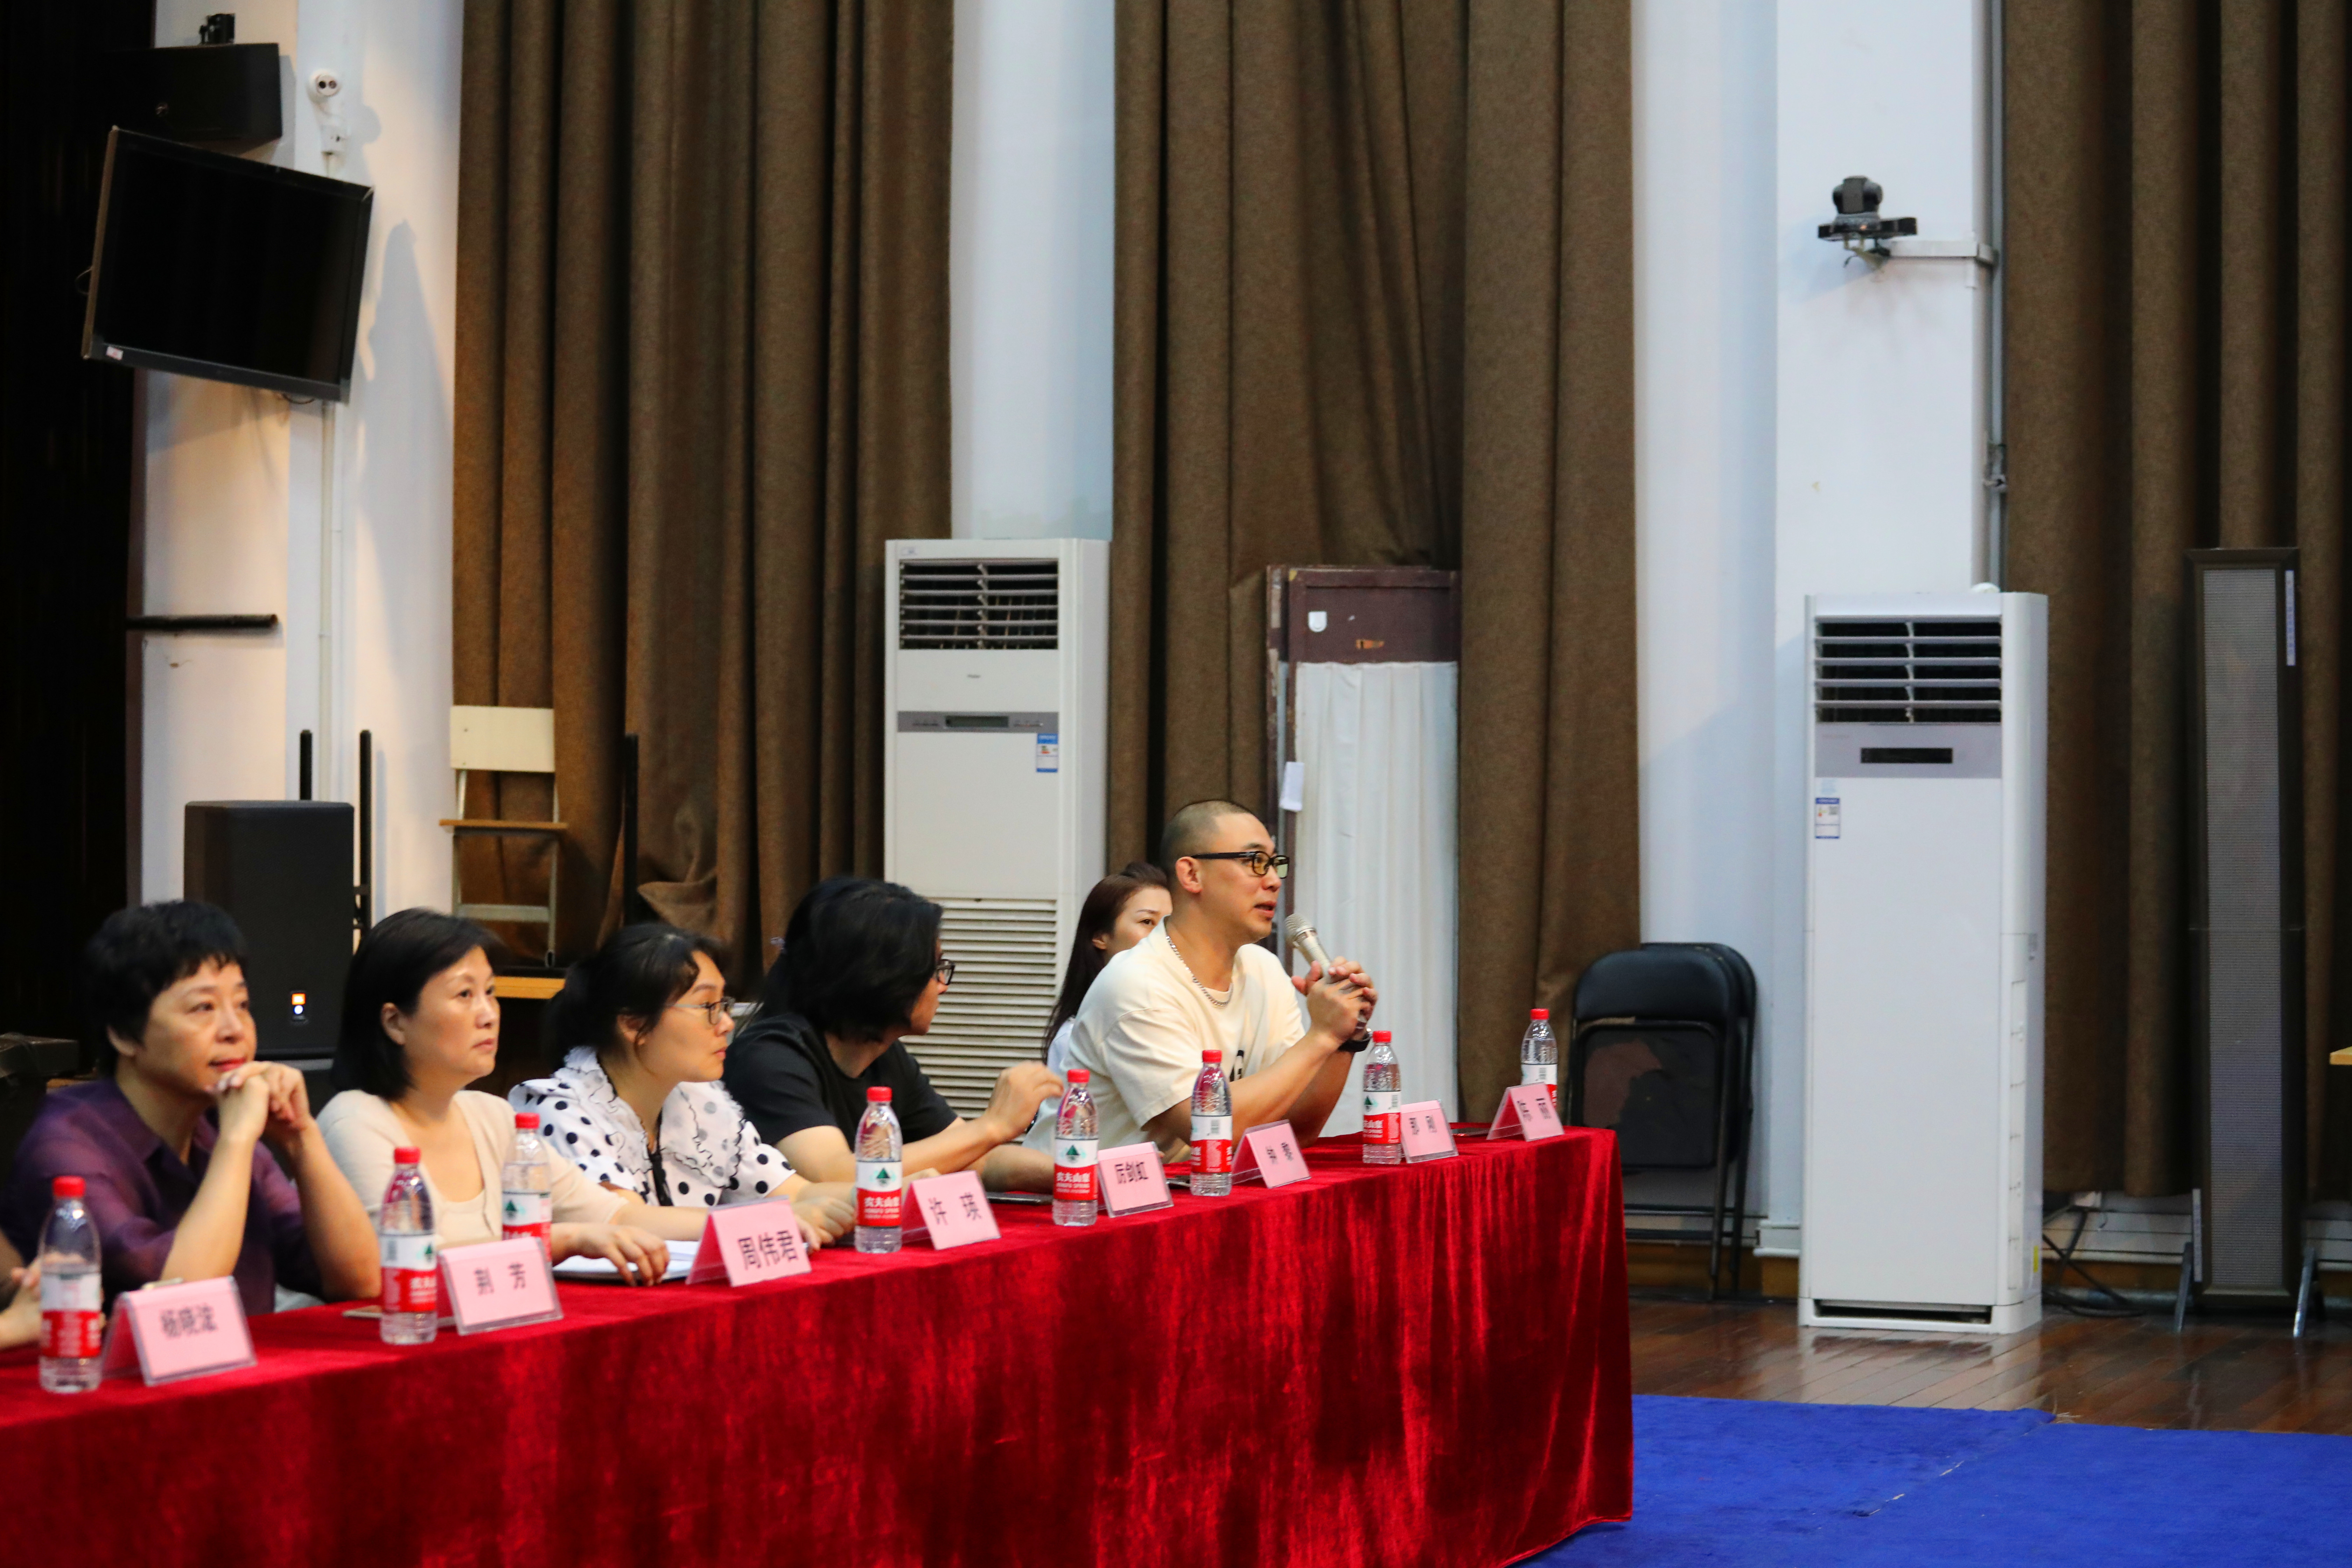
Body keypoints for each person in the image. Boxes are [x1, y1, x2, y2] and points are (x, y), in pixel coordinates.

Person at [0, 901, 379, 1316]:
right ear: (124, 1034)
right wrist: (237, 1140)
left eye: (242, 1005)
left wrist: (300, 1136)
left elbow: (361, 1280)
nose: (235, 1030)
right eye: (204, 1008)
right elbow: (181, 1298)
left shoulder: (220, 1125)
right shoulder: (66, 1143)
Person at [318, 909, 682, 1284]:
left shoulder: (492, 1116)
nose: (489, 1014)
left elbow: (615, 1216)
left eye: (490, 992)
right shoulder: (356, 1122)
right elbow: (403, 1268)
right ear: (395, 1022)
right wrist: (564, 1239)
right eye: (464, 995)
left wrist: (723, 1223)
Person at [1018, 800, 1376, 1162]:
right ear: (1192, 875)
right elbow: (1210, 1129)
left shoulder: (1264, 969)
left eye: (1274, 863)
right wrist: (1321, 1037)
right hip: (1078, 1191)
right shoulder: (1138, 982)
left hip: (1191, 1188)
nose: (1273, 880)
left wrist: (1344, 1037)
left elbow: (1298, 1129)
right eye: (1254, 861)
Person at [510, 923, 852, 1246]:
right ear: (633, 1024)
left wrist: (879, 1195)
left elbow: (797, 1193)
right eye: (707, 1006)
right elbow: (624, 1220)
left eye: (724, 1004)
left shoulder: (699, 1103)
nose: (726, 1023)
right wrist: (769, 1218)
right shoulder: (558, 1110)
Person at [725, 877, 1059, 1190]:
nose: (942, 987)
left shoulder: (884, 1056)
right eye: (935, 970)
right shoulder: (770, 1058)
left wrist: (1076, 1172)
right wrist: (992, 1126)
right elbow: (837, 1177)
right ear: (884, 978)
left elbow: (976, 1160)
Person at [1036, 862, 1171, 1123]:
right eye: (1147, 922)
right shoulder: (1075, 1037)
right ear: (1101, 936)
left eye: (1170, 923)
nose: (1163, 935)